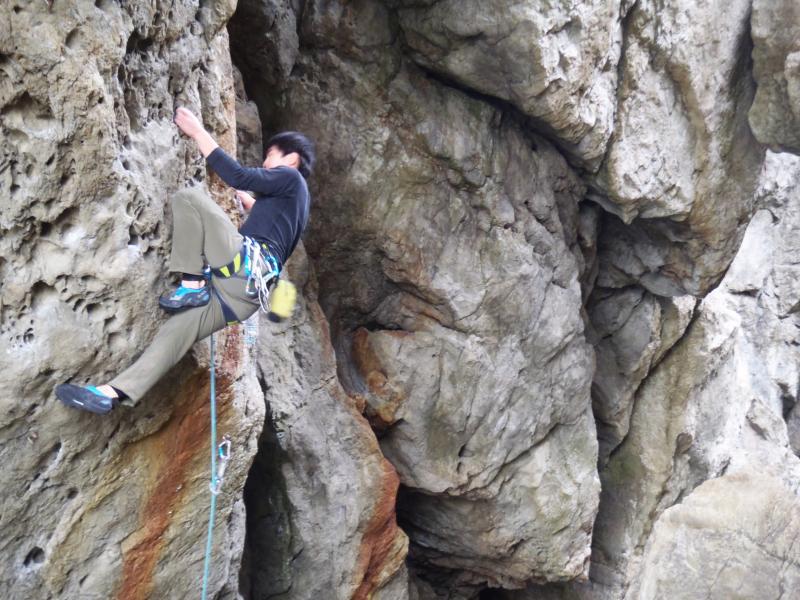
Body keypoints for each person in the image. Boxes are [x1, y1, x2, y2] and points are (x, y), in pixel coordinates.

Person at [55, 107, 314, 414]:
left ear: (292, 159)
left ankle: (191, 284)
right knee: (176, 332)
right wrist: (249, 203)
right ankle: (112, 392)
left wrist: (196, 131)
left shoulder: (289, 178)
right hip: (243, 299)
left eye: (271, 156)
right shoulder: (298, 204)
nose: (266, 162)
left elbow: (239, 175)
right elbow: (272, 225)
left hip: (242, 268)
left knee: (190, 198)